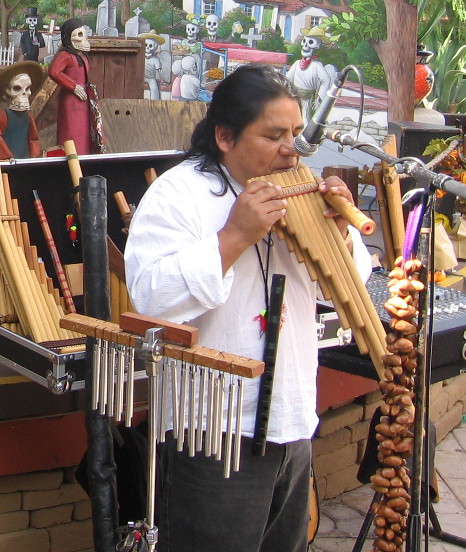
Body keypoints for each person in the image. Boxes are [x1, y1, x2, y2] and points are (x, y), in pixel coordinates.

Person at [124, 63, 371, 552]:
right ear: (224, 136)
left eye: (298, 134)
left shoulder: (299, 186)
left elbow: (343, 289)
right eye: (274, 135)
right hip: (213, 431)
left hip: (292, 419)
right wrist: (235, 236)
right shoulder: (178, 194)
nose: (292, 149)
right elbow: (150, 298)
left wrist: (337, 233)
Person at [48, 18, 93, 155]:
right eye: (79, 34)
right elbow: (54, 71)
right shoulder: (65, 55)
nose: (83, 38)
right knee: (71, 133)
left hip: (83, 102)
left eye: (84, 34)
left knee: (83, 133)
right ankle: (70, 161)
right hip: (70, 103)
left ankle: (83, 157)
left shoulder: (82, 56)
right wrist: (72, 86)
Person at [0, 61, 44, 159]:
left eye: (27, 89)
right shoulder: (3, 114)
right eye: (17, 88)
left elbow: (33, 138)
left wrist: (34, 156)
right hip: (7, 163)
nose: (24, 94)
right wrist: (7, 157)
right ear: (5, 92)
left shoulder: (28, 115)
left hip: (25, 160)